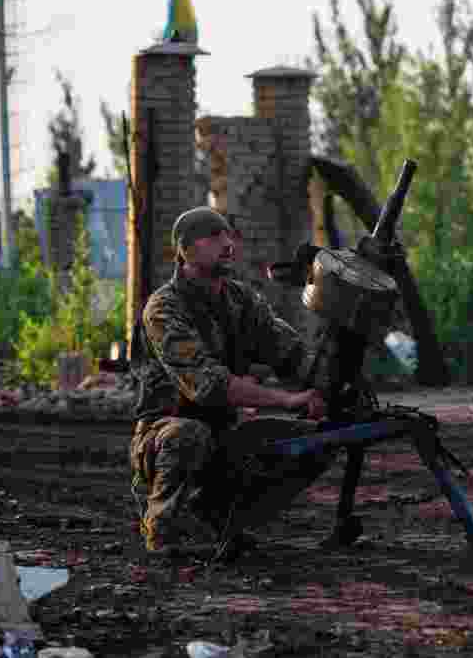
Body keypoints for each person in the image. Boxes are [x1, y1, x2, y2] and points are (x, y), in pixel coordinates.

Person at [129, 206, 329, 558]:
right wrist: (287, 400)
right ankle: (161, 528)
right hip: (164, 436)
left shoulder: (241, 300)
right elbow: (209, 385)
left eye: (228, 235)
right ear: (185, 250)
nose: (226, 244)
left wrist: (328, 383)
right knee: (189, 434)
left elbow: (291, 354)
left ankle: (220, 517)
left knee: (317, 440)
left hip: (225, 431)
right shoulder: (163, 308)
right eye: (212, 236)